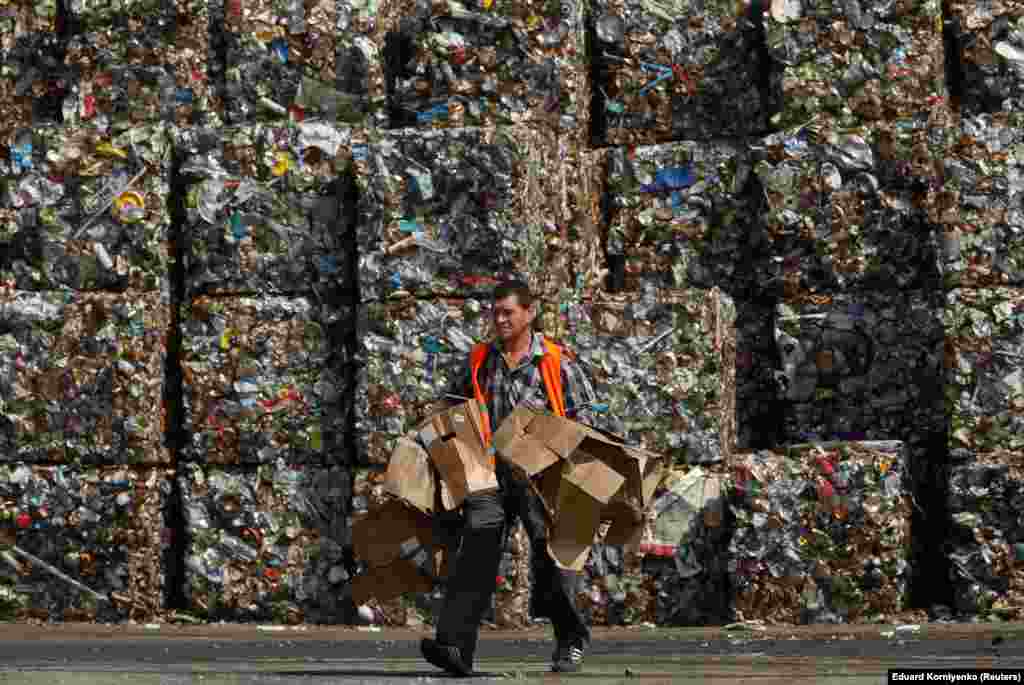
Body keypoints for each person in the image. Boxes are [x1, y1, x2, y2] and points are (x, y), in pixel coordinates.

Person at [420, 279, 598, 677]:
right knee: (477, 551)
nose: (499, 319)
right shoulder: (481, 359)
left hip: (540, 477)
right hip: (490, 475)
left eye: (508, 312)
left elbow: (585, 419)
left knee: (552, 559)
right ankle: (455, 648)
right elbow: (453, 406)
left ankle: (570, 639)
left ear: (530, 313)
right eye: (495, 312)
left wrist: (553, 448)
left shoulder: (556, 362)